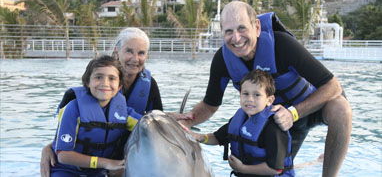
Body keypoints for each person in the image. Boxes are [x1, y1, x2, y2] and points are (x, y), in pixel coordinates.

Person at [178, 1, 352, 177]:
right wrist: (187, 122)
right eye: (229, 31)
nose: (236, 38)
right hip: (275, 124)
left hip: (309, 108)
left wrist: (293, 113)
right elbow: (210, 105)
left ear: (257, 27)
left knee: (341, 108)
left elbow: (333, 86)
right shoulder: (222, 60)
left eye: (242, 29)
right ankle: (313, 162)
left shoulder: (282, 45)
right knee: (276, 170)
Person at [41, 27, 163, 176]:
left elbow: (155, 126)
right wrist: (51, 147)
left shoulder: (146, 89)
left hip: (117, 161)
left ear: (119, 87)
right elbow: (66, 143)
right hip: (87, 164)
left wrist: (186, 132)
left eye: (141, 53)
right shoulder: (81, 102)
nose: (135, 58)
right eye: (129, 51)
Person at [49, 55, 142, 176]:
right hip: (65, 171)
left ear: (119, 86)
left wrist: (169, 118)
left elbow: (149, 125)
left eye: (112, 78)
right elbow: (63, 155)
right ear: (87, 82)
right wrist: (106, 163)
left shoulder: (125, 113)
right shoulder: (73, 109)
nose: (105, 83)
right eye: (98, 77)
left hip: (97, 173)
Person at [191, 70, 294, 176]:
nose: (250, 99)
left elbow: (275, 169)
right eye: (245, 94)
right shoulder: (239, 120)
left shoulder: (273, 127)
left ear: (269, 100)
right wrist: (199, 137)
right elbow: (217, 138)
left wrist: (242, 168)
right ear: (240, 95)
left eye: (257, 95)